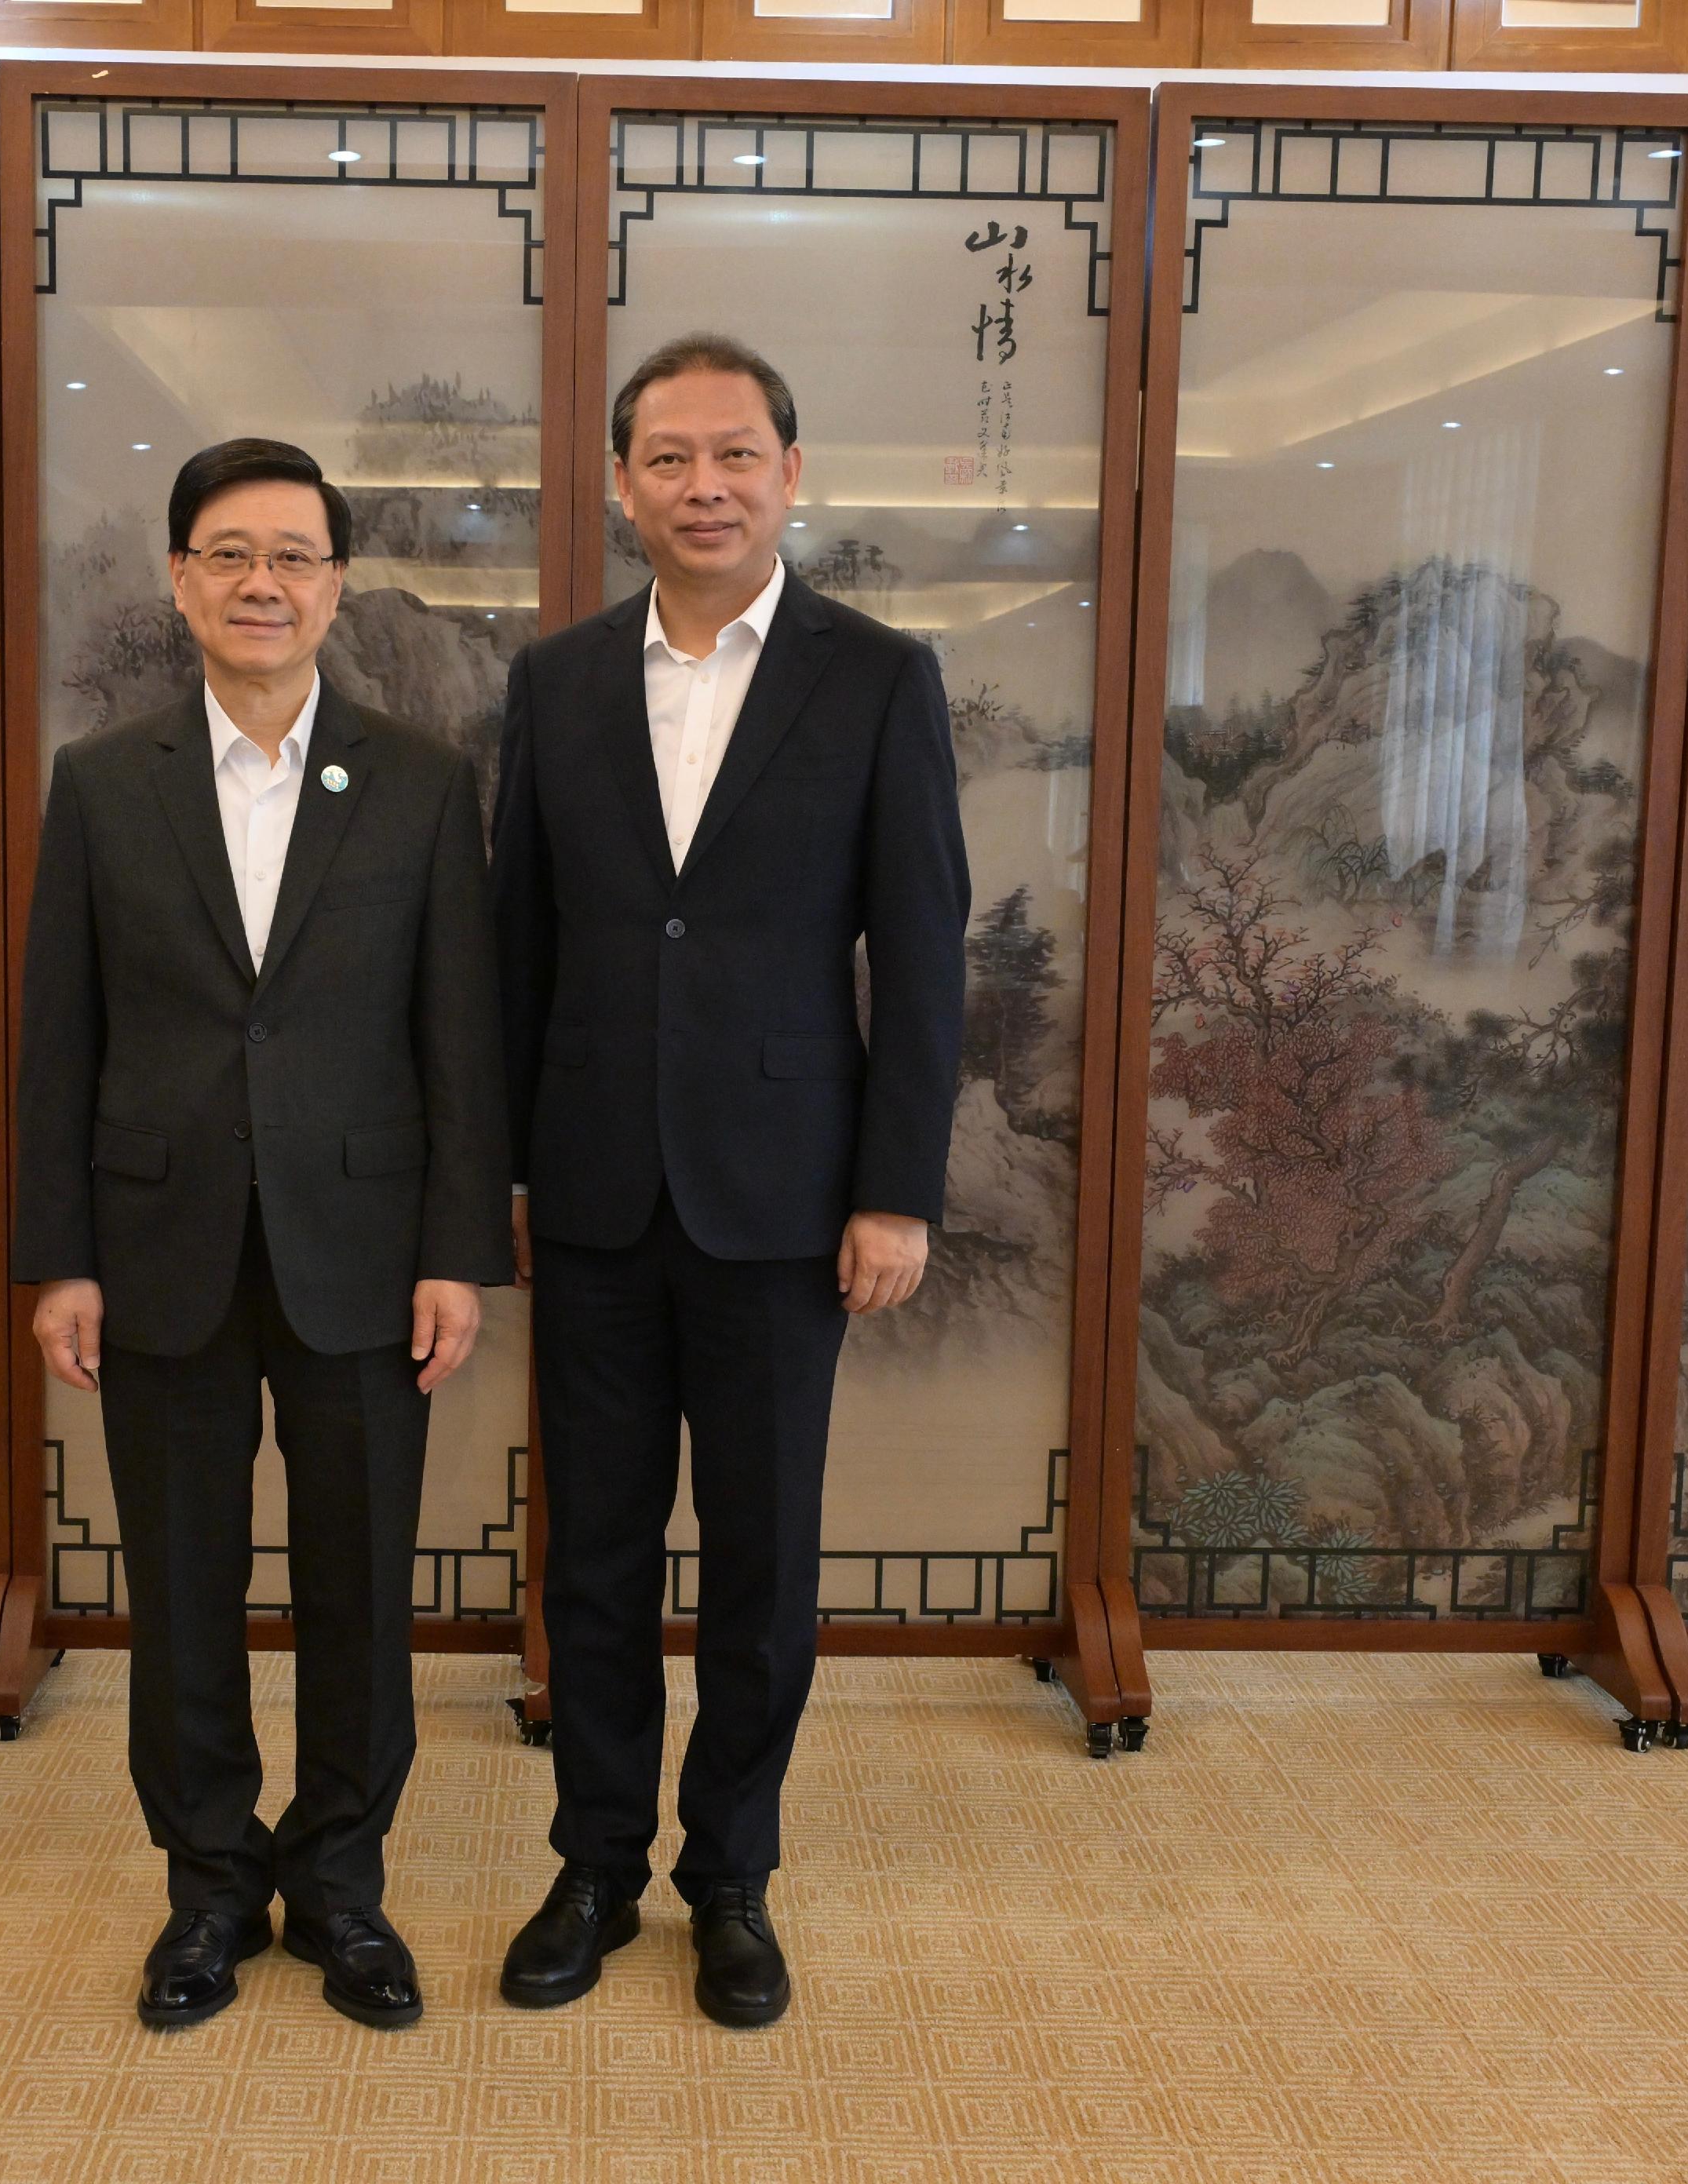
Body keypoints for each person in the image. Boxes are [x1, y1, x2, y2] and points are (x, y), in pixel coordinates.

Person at [489, 337, 970, 2029]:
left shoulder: (874, 678)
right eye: (669, 458)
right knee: (596, 1557)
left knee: (761, 1562)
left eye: (735, 455)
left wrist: (893, 1191)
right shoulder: (550, 684)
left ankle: (730, 1878)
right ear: (621, 484)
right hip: (598, 1197)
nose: (705, 485)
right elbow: (517, 950)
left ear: (788, 473)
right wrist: (506, 1181)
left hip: (786, 1198)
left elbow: (918, 958)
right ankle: (597, 1863)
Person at [13, 438, 512, 2033]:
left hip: (365, 1253)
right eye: (227, 554)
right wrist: (58, 1255)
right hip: (158, 1250)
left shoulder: (422, 781)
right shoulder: (101, 784)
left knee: (360, 1589)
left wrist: (456, 1251)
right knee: (181, 1591)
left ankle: (343, 1889)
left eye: (293, 555)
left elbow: (460, 1041)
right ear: (178, 581)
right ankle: (211, 1892)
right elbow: (57, 1040)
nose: (261, 583)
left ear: (334, 585)